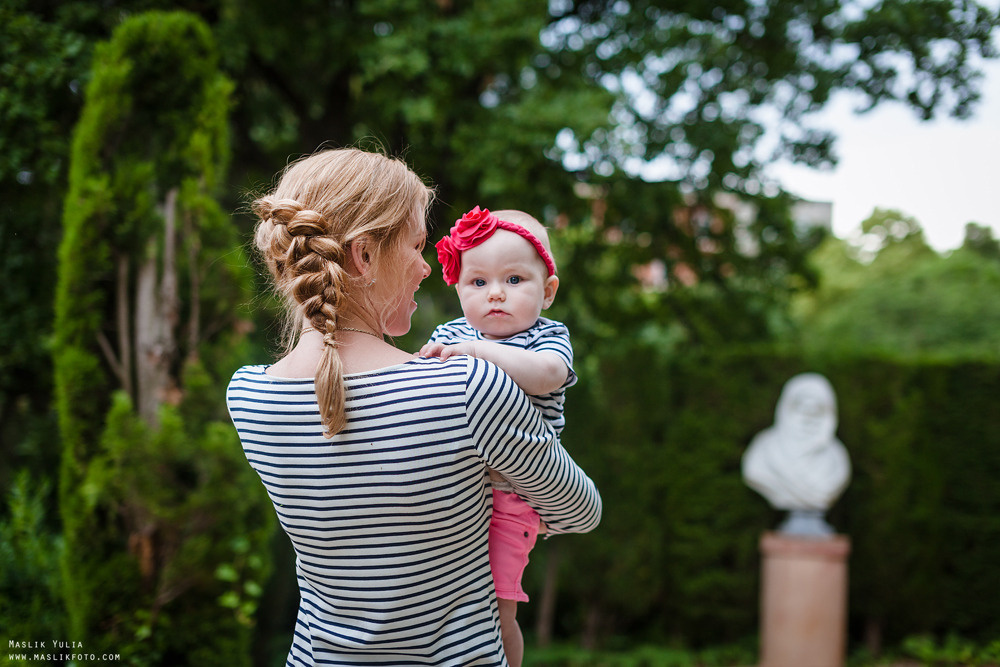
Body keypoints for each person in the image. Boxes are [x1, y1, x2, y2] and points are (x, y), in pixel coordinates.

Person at [226, 147, 601, 667]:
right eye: (418, 246)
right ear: (364, 256)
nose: (428, 269)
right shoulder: (467, 388)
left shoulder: (248, 396)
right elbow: (581, 510)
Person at [419, 206, 573, 667]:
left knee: (498, 609)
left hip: (512, 496)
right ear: (459, 287)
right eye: (479, 282)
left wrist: (473, 351)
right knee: (444, 603)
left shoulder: (545, 337)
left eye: (513, 281)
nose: (496, 296)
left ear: (547, 292)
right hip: (455, 488)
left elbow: (546, 376)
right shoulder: (449, 333)